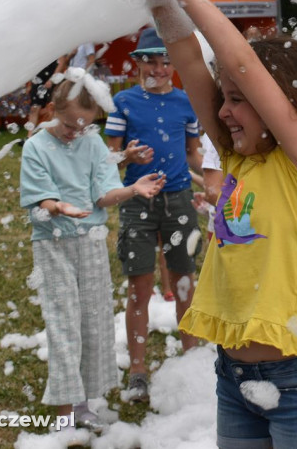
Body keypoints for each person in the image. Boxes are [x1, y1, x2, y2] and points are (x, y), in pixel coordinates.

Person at [153, 0, 297, 449]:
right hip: (233, 374)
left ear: (283, 105)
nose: (226, 111)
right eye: (224, 98)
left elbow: (240, 61)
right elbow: (188, 57)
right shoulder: (237, 159)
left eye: (239, 99)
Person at [20, 74, 165, 431]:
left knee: (93, 321)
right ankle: (64, 411)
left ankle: (83, 400)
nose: (75, 133)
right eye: (70, 125)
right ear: (53, 111)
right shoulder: (36, 147)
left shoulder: (93, 143)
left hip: (90, 242)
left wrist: (131, 189)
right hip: (53, 244)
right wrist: (59, 207)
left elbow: (103, 194)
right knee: (63, 321)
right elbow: (41, 197)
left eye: (84, 126)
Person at [104, 27, 204, 402]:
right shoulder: (123, 103)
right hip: (136, 202)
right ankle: (138, 369)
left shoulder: (185, 102)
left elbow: (193, 152)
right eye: (152, 61)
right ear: (138, 63)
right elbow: (108, 159)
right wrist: (127, 157)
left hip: (178, 199)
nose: (160, 69)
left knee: (184, 282)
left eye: (166, 62)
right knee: (139, 286)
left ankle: (192, 358)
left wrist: (212, 179)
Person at [25, 53, 69, 132]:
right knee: (34, 108)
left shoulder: (57, 47)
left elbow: (61, 63)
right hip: (37, 80)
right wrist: (30, 83)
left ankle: (49, 132)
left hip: (51, 80)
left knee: (50, 108)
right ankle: (30, 136)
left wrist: (52, 80)